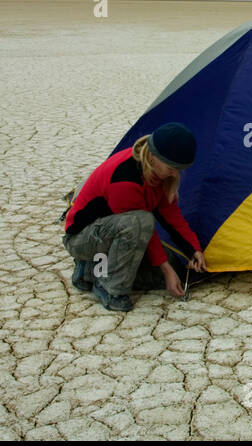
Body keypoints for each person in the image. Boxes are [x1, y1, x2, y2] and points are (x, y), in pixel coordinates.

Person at [62, 122, 207, 311]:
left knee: (175, 268)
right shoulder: (124, 177)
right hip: (82, 239)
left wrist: (193, 250)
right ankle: (109, 287)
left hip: (116, 235)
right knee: (142, 222)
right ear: (154, 157)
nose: (175, 173)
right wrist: (166, 270)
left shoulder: (159, 175)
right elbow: (141, 227)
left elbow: (171, 217)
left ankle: (92, 269)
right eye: (172, 167)